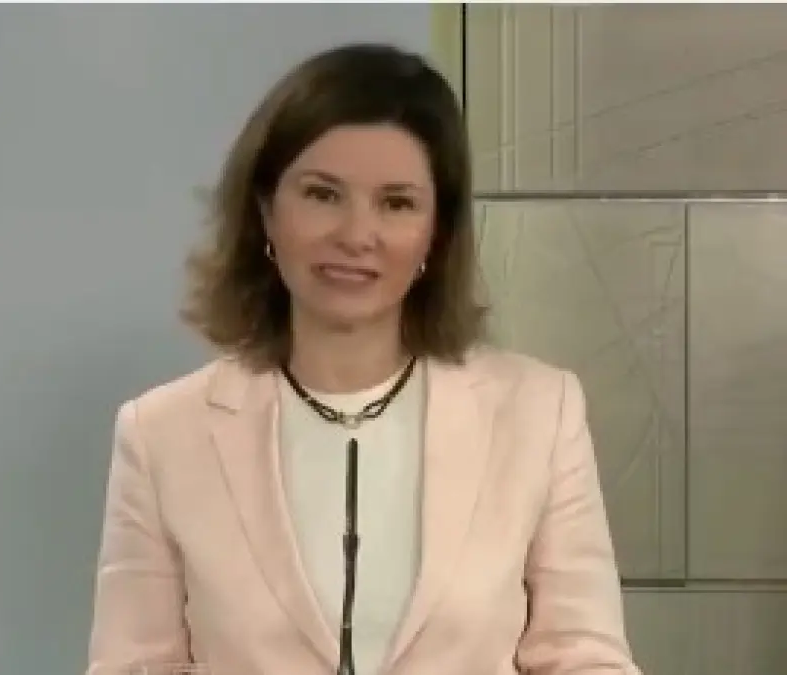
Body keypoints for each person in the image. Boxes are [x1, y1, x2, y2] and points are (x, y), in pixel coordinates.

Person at [86, 42, 642, 675]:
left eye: (396, 203)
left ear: (437, 232)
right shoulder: (161, 435)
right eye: (323, 195)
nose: (356, 235)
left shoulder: (540, 413)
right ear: (265, 210)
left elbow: (586, 658)